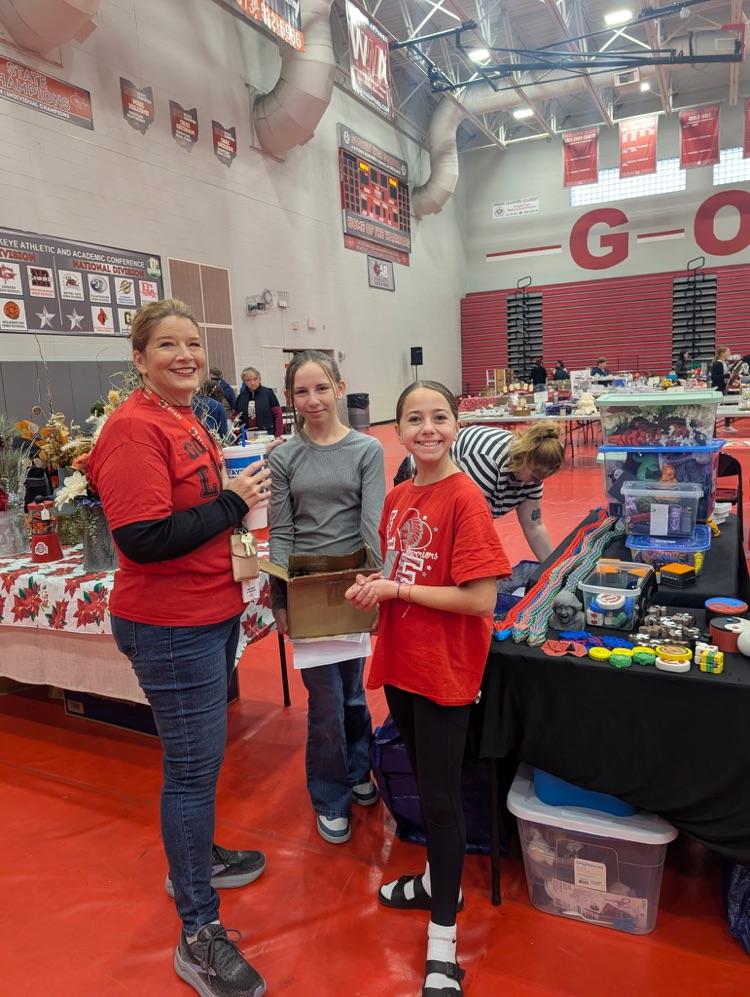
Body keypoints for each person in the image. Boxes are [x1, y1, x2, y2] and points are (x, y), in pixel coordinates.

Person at [87, 299, 271, 997]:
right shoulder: (134, 429)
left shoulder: (187, 415)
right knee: (192, 773)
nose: (186, 354)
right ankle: (199, 930)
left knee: (199, 762)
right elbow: (142, 539)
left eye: (193, 342)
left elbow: (220, 508)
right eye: (168, 345)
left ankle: (194, 858)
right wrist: (230, 504)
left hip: (207, 611)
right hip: (171, 626)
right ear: (139, 358)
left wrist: (245, 557)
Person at [345, 380, 511, 997]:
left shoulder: (465, 499)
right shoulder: (399, 496)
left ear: (457, 424)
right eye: (414, 418)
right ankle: (441, 882)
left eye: (440, 416)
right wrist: (374, 585)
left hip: (443, 671)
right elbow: (398, 571)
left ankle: (444, 941)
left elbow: (480, 599)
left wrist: (396, 591)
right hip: (404, 663)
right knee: (420, 782)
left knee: (440, 804)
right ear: (398, 429)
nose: (428, 428)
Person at [268, 349, 386, 845]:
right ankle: (329, 793)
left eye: (321, 388)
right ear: (290, 398)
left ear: (340, 388)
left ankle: (359, 769)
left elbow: (370, 524)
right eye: (301, 391)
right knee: (326, 703)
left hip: (355, 587)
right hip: (306, 592)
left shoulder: (366, 450)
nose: (312, 400)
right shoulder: (283, 457)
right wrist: (280, 600)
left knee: (355, 692)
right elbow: (280, 532)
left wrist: (375, 587)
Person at [395, 421, 564, 562]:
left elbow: (534, 525)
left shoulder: (533, 472)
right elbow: (470, 523)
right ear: (525, 458)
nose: (537, 482)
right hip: (419, 476)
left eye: (541, 478)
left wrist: (553, 568)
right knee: (422, 547)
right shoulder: (488, 460)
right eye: (535, 476)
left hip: (454, 486)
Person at [236, 367, 284, 437]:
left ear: (259, 379)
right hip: (247, 436)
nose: (252, 383)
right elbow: (235, 415)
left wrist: (278, 435)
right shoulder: (241, 396)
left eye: (255, 379)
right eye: (248, 380)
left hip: (267, 433)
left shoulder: (268, 393)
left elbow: (278, 415)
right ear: (244, 382)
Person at [711, 345, 737, 433]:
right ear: (722, 353)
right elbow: (714, 377)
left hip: (722, 387)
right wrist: (726, 376)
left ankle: (726, 425)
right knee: (717, 408)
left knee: (722, 406)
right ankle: (725, 426)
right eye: (728, 351)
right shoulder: (718, 364)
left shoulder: (724, 363)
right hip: (718, 388)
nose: (729, 353)